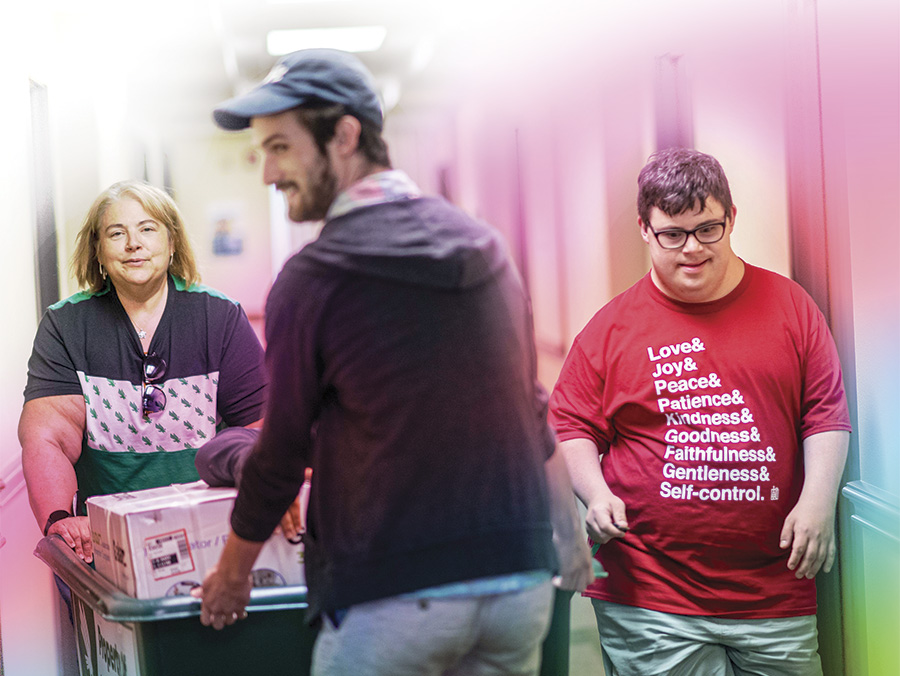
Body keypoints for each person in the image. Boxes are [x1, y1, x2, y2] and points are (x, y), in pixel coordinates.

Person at [192, 48, 593, 676]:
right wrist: (568, 541)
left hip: (397, 595)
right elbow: (530, 406)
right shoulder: (484, 246)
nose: (267, 171)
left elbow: (280, 451)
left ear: (345, 135)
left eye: (280, 147)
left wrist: (231, 577)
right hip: (518, 584)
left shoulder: (314, 277)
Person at [549, 147, 852, 675]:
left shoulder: (791, 307)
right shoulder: (611, 329)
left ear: (731, 218)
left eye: (708, 229)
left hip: (773, 587)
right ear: (645, 229)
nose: (692, 249)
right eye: (672, 234)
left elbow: (824, 412)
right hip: (649, 591)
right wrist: (594, 495)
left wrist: (818, 501)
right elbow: (571, 423)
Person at [19, 180, 267, 564]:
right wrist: (61, 519)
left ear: (172, 243)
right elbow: (48, 437)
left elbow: (259, 427)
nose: (133, 243)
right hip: (105, 544)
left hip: (210, 535)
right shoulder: (65, 324)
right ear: (98, 251)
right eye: (116, 233)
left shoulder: (220, 317)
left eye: (148, 229)